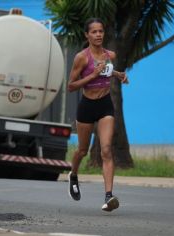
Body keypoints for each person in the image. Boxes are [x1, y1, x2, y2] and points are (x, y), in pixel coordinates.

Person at [67, 18, 128, 212]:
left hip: (105, 105)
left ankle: (109, 196)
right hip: (87, 106)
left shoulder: (110, 55)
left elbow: (107, 71)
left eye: (101, 31)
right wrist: (92, 75)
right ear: (87, 35)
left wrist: (119, 74)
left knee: (107, 149)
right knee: (82, 151)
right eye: (94, 32)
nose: (98, 34)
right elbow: (71, 86)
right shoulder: (81, 58)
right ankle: (73, 175)